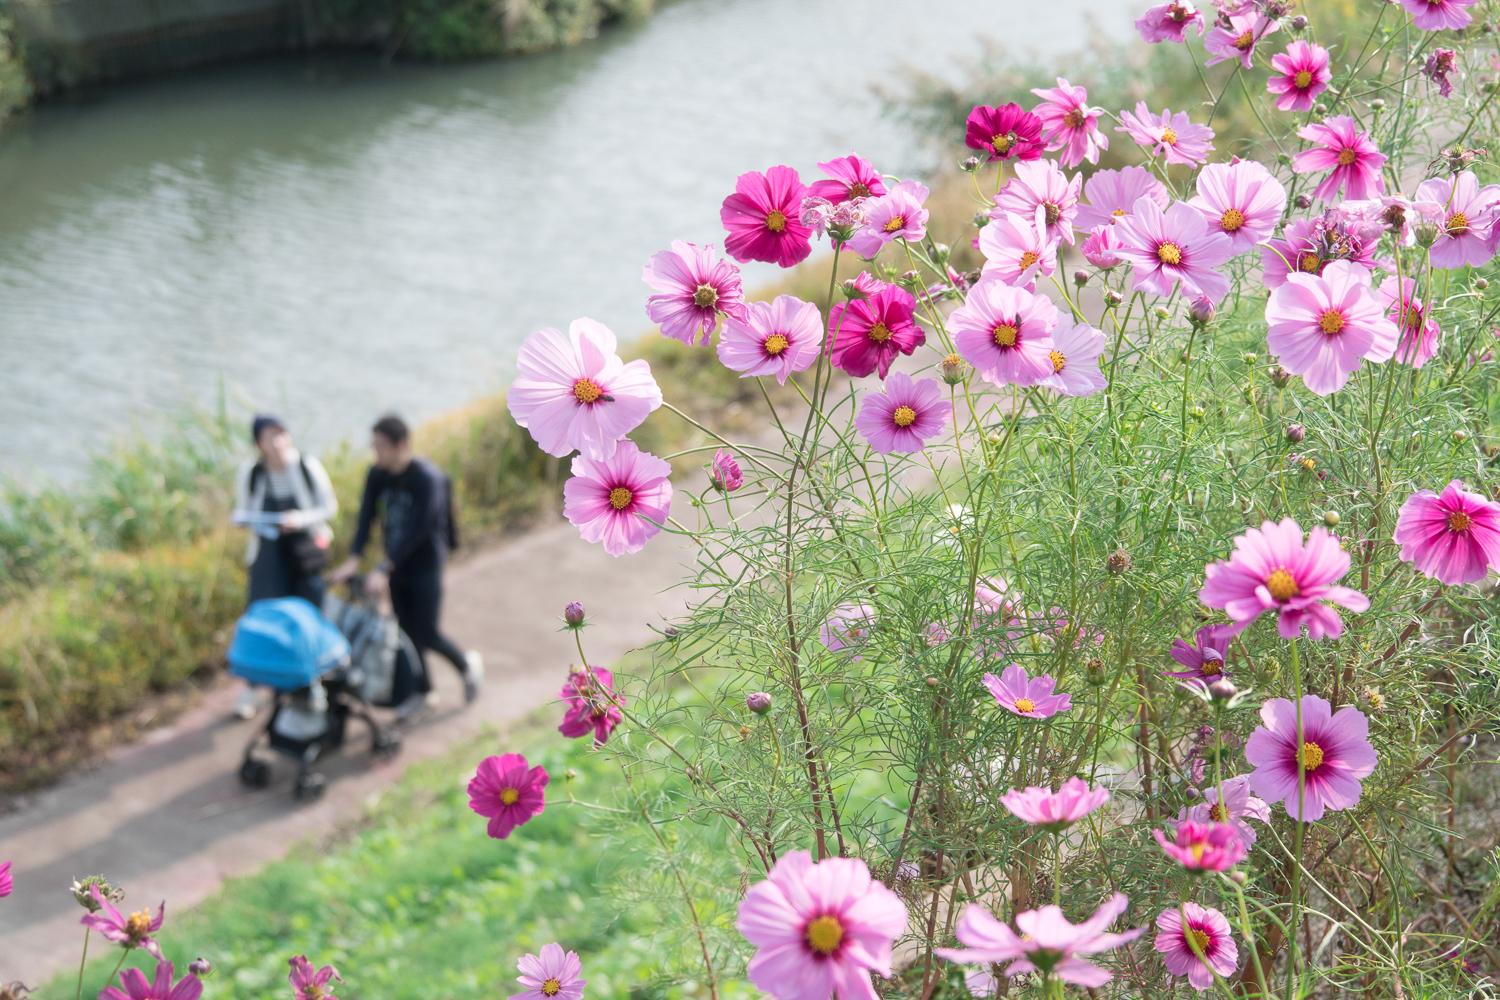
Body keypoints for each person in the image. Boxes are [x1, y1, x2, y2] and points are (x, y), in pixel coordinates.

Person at [331, 414, 482, 720]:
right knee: (405, 632)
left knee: (426, 632)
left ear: (401, 445)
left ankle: (467, 667)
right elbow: (366, 518)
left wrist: (384, 567)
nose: (375, 454)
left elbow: (420, 527)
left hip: (426, 565)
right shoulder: (378, 475)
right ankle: (424, 691)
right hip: (397, 567)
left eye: (380, 447)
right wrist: (354, 559)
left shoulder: (428, 479)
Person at [230, 414, 338, 719]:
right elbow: (245, 510)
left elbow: (329, 507)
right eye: (269, 437)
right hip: (268, 556)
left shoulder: (306, 467)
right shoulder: (252, 474)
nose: (277, 443)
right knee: (263, 617)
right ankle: (254, 686)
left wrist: (300, 520)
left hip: (304, 554)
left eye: (280, 434)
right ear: (259, 445)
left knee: (310, 616)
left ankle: (311, 681)